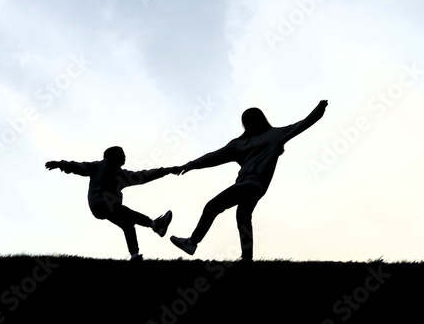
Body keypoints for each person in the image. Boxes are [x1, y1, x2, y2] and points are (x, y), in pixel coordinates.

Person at [170, 100, 329, 260]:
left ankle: (192, 242)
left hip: (250, 184)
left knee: (213, 206)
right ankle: (247, 258)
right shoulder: (240, 144)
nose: (248, 122)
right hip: (254, 186)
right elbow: (214, 157)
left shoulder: (273, 136)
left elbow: (303, 124)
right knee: (243, 215)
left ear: (259, 120)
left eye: (251, 118)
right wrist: (190, 165)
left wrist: (319, 109)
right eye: (246, 119)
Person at [46, 146, 179, 261]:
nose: (124, 156)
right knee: (126, 213)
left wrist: (165, 171)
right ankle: (155, 225)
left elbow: (143, 176)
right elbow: (79, 166)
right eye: (121, 153)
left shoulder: (120, 173)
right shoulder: (98, 166)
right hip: (101, 203)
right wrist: (60, 164)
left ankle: (134, 255)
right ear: (111, 155)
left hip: (102, 208)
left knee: (128, 224)